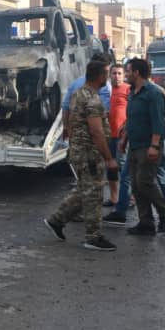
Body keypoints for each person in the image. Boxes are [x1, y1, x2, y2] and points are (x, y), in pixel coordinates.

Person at [43, 59, 118, 251]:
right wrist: (109, 158)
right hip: (89, 154)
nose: (108, 77)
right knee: (94, 194)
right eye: (107, 73)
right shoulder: (92, 99)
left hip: (79, 150)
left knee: (84, 189)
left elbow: (68, 115)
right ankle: (93, 237)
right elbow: (97, 132)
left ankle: (57, 220)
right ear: (100, 76)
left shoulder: (78, 93)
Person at [121, 57, 165, 235]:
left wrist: (155, 145)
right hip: (134, 146)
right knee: (136, 187)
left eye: (128, 71)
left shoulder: (153, 93)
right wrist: (123, 140)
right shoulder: (132, 92)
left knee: (144, 182)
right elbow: (131, 119)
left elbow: (159, 121)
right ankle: (146, 222)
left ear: (136, 73)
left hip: (148, 147)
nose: (126, 75)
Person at [61, 54, 112, 141]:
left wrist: (66, 128)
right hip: (93, 142)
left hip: (76, 139)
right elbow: (103, 115)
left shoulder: (75, 83)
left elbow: (65, 108)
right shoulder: (103, 86)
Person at [106, 63, 130, 206]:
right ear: (110, 75)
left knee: (124, 167)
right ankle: (114, 198)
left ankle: (129, 197)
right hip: (109, 135)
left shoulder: (128, 89)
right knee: (111, 167)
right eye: (114, 73)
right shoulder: (106, 90)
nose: (117, 76)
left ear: (124, 75)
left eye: (119, 73)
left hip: (123, 135)